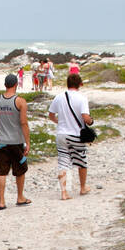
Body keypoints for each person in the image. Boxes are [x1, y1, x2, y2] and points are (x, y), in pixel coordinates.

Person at [47, 72, 94, 201]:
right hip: (76, 134)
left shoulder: (59, 97)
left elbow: (51, 115)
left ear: (67, 84)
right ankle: (83, 187)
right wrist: (91, 122)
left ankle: (64, 192)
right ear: (80, 84)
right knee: (81, 161)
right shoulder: (82, 98)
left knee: (63, 162)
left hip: (61, 134)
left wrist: (59, 122)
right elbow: (85, 117)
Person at [0, 72, 31, 208]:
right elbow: (23, 123)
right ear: (16, 84)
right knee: (20, 170)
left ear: (5, 85)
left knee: (2, 171)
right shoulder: (20, 101)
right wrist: (28, 142)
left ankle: (1, 201)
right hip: (16, 142)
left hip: (1, 142)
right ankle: (20, 197)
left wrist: (0, 131)